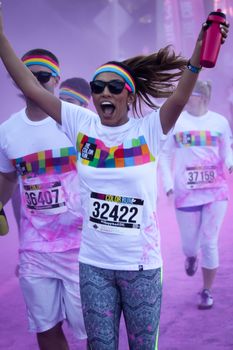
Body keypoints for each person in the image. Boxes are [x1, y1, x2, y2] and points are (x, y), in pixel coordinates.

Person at [0, 4, 229, 348]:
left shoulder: (150, 129)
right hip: (94, 265)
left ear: (128, 94)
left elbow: (180, 96)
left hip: (142, 266)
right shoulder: (81, 124)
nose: (105, 92)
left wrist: (198, 53)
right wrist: (1, 38)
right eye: (98, 86)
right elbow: (32, 88)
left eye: (113, 86)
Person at [0, 47, 94, 350]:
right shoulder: (7, 132)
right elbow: (8, 180)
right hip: (35, 249)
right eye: (28, 76)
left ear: (56, 80)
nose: (36, 83)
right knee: (45, 327)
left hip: (82, 247)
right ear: (17, 80)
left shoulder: (77, 121)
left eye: (43, 76)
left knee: (92, 329)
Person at [159, 80, 233, 310]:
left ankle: (207, 290)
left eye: (189, 94)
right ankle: (191, 257)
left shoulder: (219, 122)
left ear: (201, 97)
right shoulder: (176, 123)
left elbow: (226, 150)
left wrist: (230, 164)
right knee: (190, 246)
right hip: (186, 193)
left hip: (215, 192)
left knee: (209, 242)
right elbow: (164, 156)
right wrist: (169, 186)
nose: (184, 98)